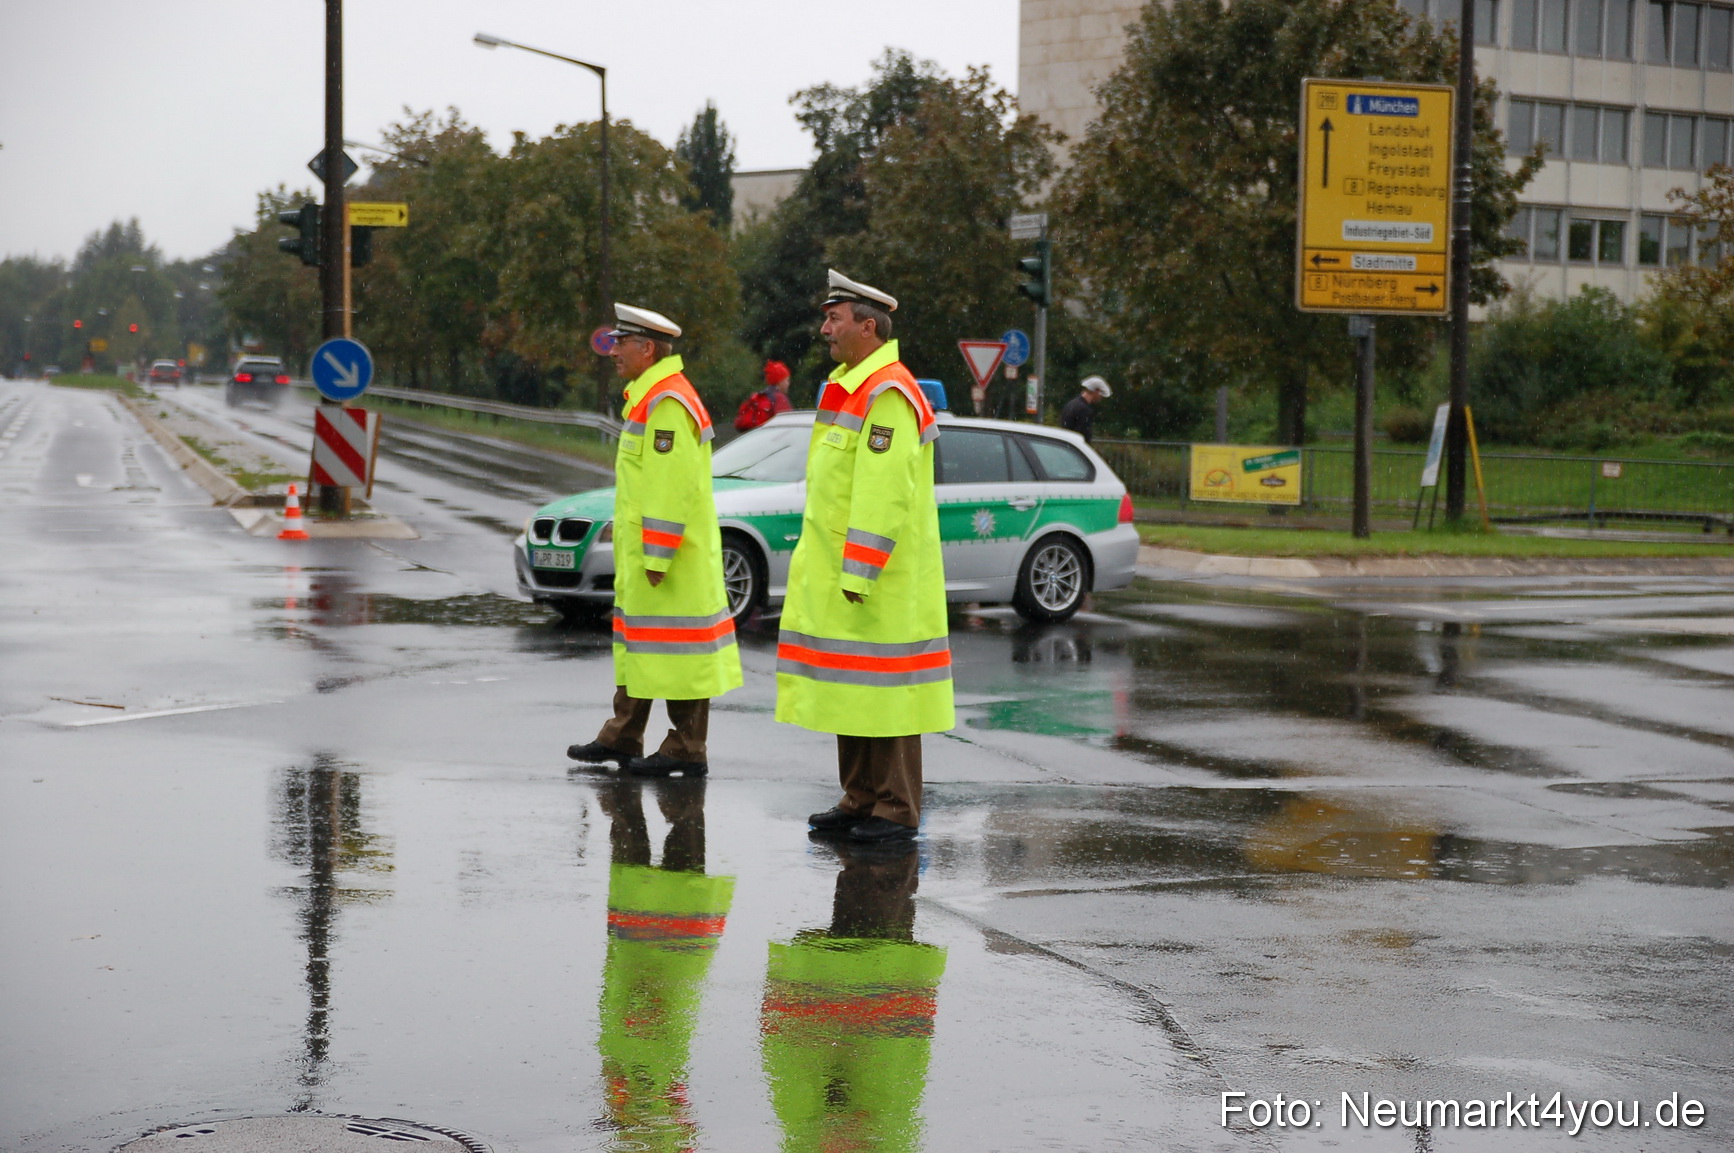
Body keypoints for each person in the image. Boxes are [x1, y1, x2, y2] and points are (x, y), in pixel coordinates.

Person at [776, 270, 954, 844]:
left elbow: (884, 492)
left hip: (878, 577)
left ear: (868, 327)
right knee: (851, 690)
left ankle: (895, 808)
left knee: (888, 694)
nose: (825, 329)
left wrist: (860, 568)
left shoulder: (888, 391)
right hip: (847, 574)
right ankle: (858, 799)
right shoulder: (849, 386)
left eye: (834, 318)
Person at [568, 304, 743, 777]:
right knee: (639, 646)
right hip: (648, 556)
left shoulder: (667, 402)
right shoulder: (651, 396)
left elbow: (670, 489)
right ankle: (622, 735)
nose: (612, 351)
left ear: (647, 349)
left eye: (621, 343)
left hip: (668, 559)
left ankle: (686, 747)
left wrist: (658, 554)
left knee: (681, 654)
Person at [734, 359, 794, 432]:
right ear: (780, 381)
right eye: (787, 380)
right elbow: (788, 425)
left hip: (755, 436)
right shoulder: (779, 398)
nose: (788, 383)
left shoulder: (760, 396)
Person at [1058, 375, 1111, 443]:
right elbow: (1084, 437)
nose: (1101, 397)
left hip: (1066, 445)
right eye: (1101, 393)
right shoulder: (1085, 410)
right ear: (1096, 391)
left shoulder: (1070, 404)